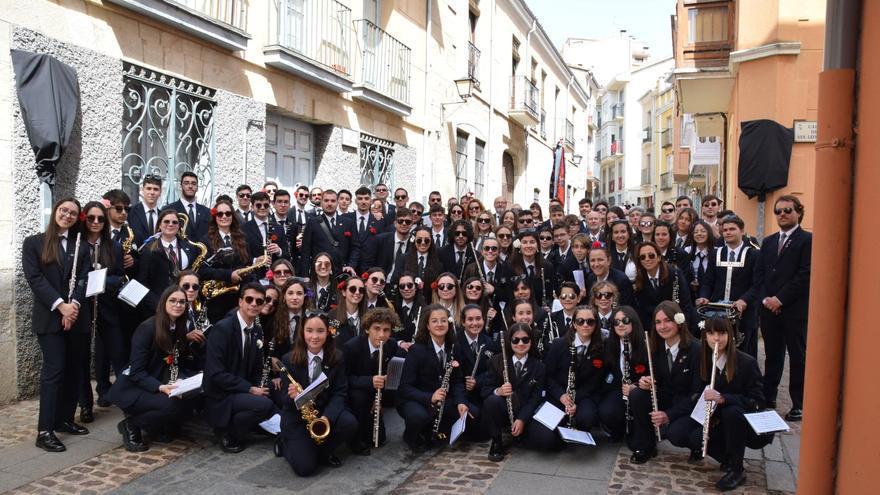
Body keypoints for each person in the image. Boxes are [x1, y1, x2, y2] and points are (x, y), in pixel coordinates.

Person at [23, 198, 92, 452]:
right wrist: (60, 305)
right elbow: (35, 279)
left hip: (75, 316)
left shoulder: (81, 246)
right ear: (55, 212)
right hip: (50, 317)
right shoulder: (34, 243)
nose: (68, 215)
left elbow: (83, 279)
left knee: (74, 369)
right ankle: (44, 430)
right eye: (64, 211)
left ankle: (64, 419)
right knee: (54, 372)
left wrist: (73, 306)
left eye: (73, 213)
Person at [106, 286, 199, 452]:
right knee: (172, 406)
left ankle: (158, 426)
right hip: (134, 388)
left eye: (182, 302)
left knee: (191, 398)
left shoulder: (178, 327)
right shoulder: (147, 329)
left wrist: (181, 380)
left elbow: (176, 362)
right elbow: (137, 371)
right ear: (163, 303)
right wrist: (161, 387)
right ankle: (131, 425)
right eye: (173, 301)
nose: (178, 305)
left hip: (159, 381)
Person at [689, 317, 772, 491]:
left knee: (731, 412)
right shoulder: (703, 360)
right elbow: (695, 391)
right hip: (720, 420)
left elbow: (757, 402)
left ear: (730, 335)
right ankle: (727, 457)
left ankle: (737, 469)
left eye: (721, 333)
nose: (716, 339)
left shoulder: (746, 362)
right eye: (711, 334)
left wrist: (723, 398)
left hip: (745, 422)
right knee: (696, 438)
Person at [278, 313, 358, 476]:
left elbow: (340, 393)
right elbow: (283, 402)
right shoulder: (288, 360)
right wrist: (291, 396)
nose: (315, 336)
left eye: (320, 331)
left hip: (323, 414)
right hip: (298, 418)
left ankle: (321, 452)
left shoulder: (337, 357)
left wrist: (326, 419)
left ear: (327, 332)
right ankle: (286, 443)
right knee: (305, 469)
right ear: (302, 333)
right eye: (309, 331)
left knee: (349, 423)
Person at [755, 195, 812, 421]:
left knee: (797, 356)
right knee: (772, 355)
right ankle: (768, 396)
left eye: (787, 210)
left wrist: (780, 299)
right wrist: (766, 300)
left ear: (798, 212)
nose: (782, 214)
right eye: (778, 211)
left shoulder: (807, 240)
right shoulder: (768, 242)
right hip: (770, 310)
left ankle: (798, 403)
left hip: (794, 310)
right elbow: (759, 275)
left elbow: (804, 275)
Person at [203, 283, 275, 453]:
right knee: (265, 405)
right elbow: (216, 374)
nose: (254, 304)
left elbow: (257, 367)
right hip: (221, 394)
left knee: (275, 394)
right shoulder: (223, 328)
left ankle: (253, 424)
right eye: (249, 299)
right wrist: (251, 389)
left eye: (259, 301)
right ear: (240, 302)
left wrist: (261, 386)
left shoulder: (256, 330)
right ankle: (226, 430)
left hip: (241, 388)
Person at [628, 301, 702, 464]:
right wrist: (646, 381)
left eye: (668, 320)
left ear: (679, 321)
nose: (663, 326)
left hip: (687, 405)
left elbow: (697, 393)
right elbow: (657, 378)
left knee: (676, 434)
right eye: (658, 322)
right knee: (637, 395)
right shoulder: (655, 347)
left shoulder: (696, 349)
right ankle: (646, 445)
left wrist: (669, 415)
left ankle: (697, 445)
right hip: (666, 397)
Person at [77, 201, 127, 422]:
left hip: (107, 309)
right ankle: (85, 405)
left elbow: (120, 277)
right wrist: (88, 279)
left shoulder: (113, 246)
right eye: (91, 218)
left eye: (100, 219)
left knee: (119, 355)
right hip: (83, 310)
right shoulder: (76, 244)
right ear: (84, 219)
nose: (96, 222)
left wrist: (102, 278)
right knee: (82, 360)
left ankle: (128, 400)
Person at [397, 304, 467, 452]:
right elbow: (405, 388)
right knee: (418, 417)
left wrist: (461, 401)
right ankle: (410, 436)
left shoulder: (454, 347)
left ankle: (429, 431)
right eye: (434, 321)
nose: (440, 324)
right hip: (416, 400)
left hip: (442, 400)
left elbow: (457, 380)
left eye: (443, 320)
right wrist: (430, 397)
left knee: (469, 415)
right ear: (427, 326)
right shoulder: (416, 350)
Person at [482, 323, 556, 461]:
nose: (520, 343)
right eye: (515, 340)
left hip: (526, 412)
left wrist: (522, 419)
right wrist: (498, 391)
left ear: (531, 341)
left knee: (547, 441)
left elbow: (535, 399)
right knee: (492, 400)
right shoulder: (496, 361)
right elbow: (485, 389)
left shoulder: (539, 367)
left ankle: (521, 434)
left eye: (525, 340)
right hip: (503, 410)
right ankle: (497, 441)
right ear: (509, 341)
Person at [698, 215, 761, 357]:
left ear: (742, 231)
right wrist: (704, 296)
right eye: (725, 229)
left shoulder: (754, 254)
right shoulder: (716, 253)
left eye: (732, 229)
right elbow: (708, 280)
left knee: (743, 354)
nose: (728, 232)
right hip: (717, 311)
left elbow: (758, 284)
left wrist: (744, 300)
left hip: (744, 313)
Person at [343, 308, 402, 455]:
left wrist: (380, 399)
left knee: (379, 439)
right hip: (355, 394)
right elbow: (344, 379)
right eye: (376, 329)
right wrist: (370, 381)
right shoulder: (352, 347)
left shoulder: (391, 345)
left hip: (377, 394)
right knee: (359, 397)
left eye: (386, 330)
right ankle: (353, 439)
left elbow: (393, 373)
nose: (381, 335)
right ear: (367, 329)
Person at [544, 305, 606, 440]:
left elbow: (595, 383)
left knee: (586, 418)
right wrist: (561, 395)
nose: (585, 325)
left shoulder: (601, 349)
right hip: (559, 394)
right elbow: (548, 376)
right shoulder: (559, 344)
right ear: (573, 324)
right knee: (546, 437)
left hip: (583, 397)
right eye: (580, 321)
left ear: (596, 324)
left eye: (590, 321)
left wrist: (574, 401)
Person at [201, 198, 259, 322]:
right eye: (220, 214)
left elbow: (247, 264)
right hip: (217, 299)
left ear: (233, 216)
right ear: (214, 217)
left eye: (228, 213)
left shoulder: (242, 238)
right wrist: (229, 275)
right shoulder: (206, 240)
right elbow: (203, 271)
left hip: (239, 297)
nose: (224, 217)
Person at [135, 209, 202, 315]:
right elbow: (142, 282)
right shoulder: (149, 250)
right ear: (159, 225)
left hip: (183, 305)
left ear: (179, 226)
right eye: (166, 221)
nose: (170, 224)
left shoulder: (190, 247)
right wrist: (158, 304)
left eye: (175, 222)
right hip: (158, 307)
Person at [599, 306, 650, 444]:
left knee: (637, 398)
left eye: (625, 320)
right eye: (616, 322)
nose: (620, 324)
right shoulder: (609, 345)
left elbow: (651, 376)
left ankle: (639, 432)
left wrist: (635, 386)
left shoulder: (646, 346)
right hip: (618, 389)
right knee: (607, 411)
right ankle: (619, 428)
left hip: (640, 393)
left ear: (634, 322)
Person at [634, 241, 696, 336]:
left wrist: (680, 328)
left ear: (659, 257)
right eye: (642, 257)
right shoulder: (639, 279)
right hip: (655, 328)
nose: (647, 259)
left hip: (679, 325)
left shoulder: (674, 274)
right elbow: (643, 312)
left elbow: (685, 304)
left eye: (651, 255)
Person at [456, 304, 498, 439]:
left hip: (480, 393)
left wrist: (477, 382)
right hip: (460, 394)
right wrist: (464, 383)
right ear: (463, 322)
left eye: (478, 319)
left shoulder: (489, 342)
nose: (475, 323)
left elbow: (493, 372)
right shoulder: (454, 342)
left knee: (484, 433)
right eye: (470, 319)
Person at [299, 189, 360, 276]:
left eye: (333, 201)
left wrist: (351, 265)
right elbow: (306, 251)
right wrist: (305, 276)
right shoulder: (313, 222)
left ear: (337, 202)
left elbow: (355, 247)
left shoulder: (349, 223)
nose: (329, 203)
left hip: (343, 272)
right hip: (320, 272)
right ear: (321, 202)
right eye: (326, 200)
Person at [363, 207, 413, 281]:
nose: (404, 224)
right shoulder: (380, 240)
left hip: (403, 286)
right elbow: (367, 264)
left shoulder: (415, 243)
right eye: (400, 221)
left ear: (412, 224)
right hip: (380, 282)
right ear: (395, 223)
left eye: (407, 222)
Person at [242, 191, 289, 262]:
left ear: (269, 207)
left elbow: (287, 256)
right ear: (252, 207)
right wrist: (255, 260)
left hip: (275, 271)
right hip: (254, 272)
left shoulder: (279, 228)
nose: (262, 208)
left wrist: (279, 251)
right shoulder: (244, 228)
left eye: (266, 205)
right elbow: (241, 256)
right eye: (258, 205)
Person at [168, 172, 211, 240]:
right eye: (186, 183)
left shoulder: (207, 212)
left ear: (197, 187)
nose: (190, 186)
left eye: (193, 183)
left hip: (203, 250)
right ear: (181, 186)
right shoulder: (169, 210)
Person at [405, 226, 443, 301]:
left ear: (431, 241)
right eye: (419, 240)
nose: (423, 243)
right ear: (414, 240)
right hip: (409, 300)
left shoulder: (439, 259)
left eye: (426, 240)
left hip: (430, 301)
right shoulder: (404, 258)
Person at [685, 220, 717, 302]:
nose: (699, 234)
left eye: (703, 231)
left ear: (709, 233)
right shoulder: (687, 251)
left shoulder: (716, 252)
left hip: (712, 295)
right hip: (691, 294)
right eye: (695, 232)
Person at [332, 275, 367, 347]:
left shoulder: (369, 316)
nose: (357, 292)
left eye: (361, 290)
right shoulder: (333, 315)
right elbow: (333, 339)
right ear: (344, 292)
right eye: (353, 289)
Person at [129, 175, 163, 246]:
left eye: (156, 189)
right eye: (149, 188)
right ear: (142, 190)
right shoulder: (131, 212)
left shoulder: (163, 216)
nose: (152, 192)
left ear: (160, 192)